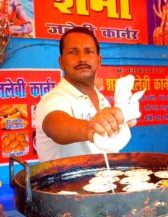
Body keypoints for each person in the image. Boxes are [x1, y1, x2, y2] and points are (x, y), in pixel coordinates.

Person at [35, 27, 136, 162]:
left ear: (99, 61)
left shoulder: (102, 100)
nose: (82, 58)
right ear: (61, 62)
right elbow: (54, 125)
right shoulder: (54, 98)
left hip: (103, 181)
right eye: (73, 52)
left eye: (88, 52)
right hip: (65, 183)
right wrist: (90, 128)